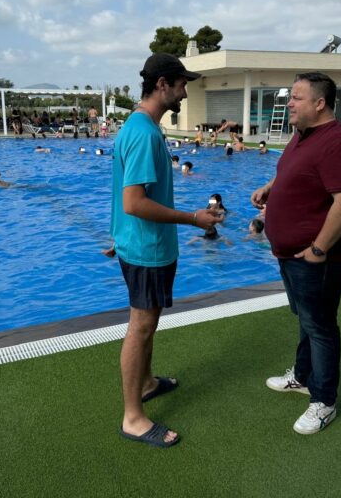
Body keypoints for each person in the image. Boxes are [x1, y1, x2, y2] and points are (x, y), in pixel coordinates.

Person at [109, 52, 222, 449]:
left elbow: (126, 198)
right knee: (140, 326)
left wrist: (119, 239)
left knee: (149, 321)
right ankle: (133, 416)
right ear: (163, 85)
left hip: (139, 244)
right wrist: (194, 219)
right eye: (181, 83)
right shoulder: (141, 132)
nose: (185, 91)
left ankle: (146, 382)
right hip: (145, 249)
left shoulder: (141, 127)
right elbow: (134, 203)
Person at [251, 71, 341, 435]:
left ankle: (324, 401)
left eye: (297, 98)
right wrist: (272, 186)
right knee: (307, 318)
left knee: (321, 326)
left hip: (319, 257)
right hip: (291, 253)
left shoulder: (339, 144)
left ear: (320, 103)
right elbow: (297, 173)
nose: (289, 103)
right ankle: (302, 376)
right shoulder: (301, 136)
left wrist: (318, 249)